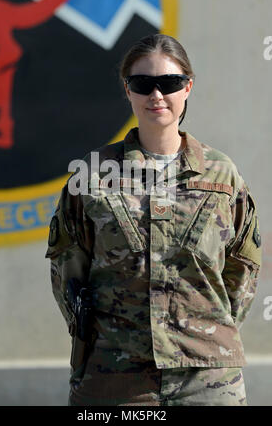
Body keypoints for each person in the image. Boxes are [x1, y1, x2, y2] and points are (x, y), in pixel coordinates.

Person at [45, 34, 262, 406]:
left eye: (170, 83)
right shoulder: (92, 175)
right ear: (127, 90)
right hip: (115, 376)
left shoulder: (221, 173)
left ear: (188, 87)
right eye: (143, 84)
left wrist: (205, 328)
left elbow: (243, 266)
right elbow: (69, 270)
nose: (156, 95)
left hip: (208, 377)